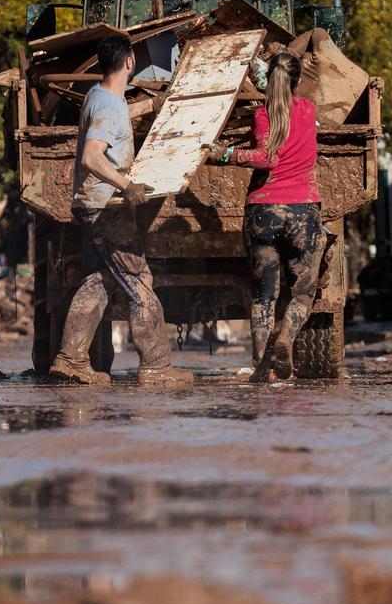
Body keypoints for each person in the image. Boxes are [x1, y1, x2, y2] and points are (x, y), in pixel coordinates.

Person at [50, 35, 190, 387]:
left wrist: (152, 107)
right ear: (130, 61)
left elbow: (109, 123)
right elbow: (92, 156)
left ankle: (70, 359)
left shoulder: (100, 97)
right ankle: (157, 367)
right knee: (139, 279)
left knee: (99, 279)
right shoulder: (109, 107)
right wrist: (127, 186)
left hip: (91, 204)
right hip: (106, 206)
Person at [207, 51, 322, 381]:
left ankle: (263, 366)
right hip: (303, 212)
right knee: (301, 294)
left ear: (269, 82)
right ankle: (286, 337)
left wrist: (226, 154)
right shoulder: (308, 109)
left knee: (263, 296)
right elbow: (274, 154)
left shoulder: (262, 115)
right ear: (297, 83)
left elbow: (266, 158)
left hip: (263, 212)